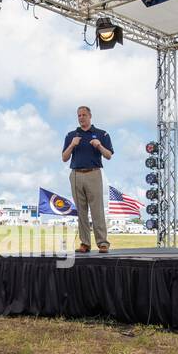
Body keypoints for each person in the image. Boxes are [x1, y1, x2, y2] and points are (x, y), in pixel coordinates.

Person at [61, 105, 114, 253]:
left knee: (97, 210)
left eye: (84, 115)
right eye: (79, 115)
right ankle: (85, 243)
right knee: (81, 212)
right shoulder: (71, 135)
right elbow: (64, 158)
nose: (81, 118)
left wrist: (99, 146)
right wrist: (72, 145)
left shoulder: (101, 134)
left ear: (90, 116)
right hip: (76, 174)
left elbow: (108, 155)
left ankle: (102, 243)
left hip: (93, 173)